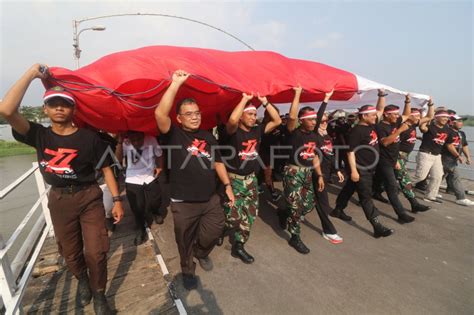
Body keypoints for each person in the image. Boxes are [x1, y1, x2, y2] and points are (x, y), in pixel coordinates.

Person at [0, 64, 124, 314]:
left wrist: (118, 199)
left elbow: (107, 169)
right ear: (45, 108)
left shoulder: (90, 138)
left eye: (65, 103)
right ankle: (82, 281)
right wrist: (32, 74)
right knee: (70, 251)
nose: (59, 107)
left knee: (97, 250)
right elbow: (6, 110)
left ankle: (100, 294)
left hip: (89, 196)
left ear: (73, 109)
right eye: (53, 103)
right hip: (59, 200)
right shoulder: (38, 135)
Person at [154, 69, 235, 290]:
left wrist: (227, 185)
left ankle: (201, 252)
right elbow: (160, 114)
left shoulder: (208, 136)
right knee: (184, 239)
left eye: (197, 112)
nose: (195, 116)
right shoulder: (174, 134)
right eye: (189, 114)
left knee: (214, 231)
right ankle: (188, 268)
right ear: (179, 118)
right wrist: (175, 84)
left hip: (210, 199)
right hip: (184, 203)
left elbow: (218, 161)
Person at [220, 93, 281, 263]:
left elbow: (277, 121)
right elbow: (232, 121)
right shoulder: (231, 132)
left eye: (255, 114)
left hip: (251, 180)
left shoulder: (257, 130)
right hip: (234, 180)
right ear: (241, 116)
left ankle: (239, 245)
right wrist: (245, 99)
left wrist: (264, 102)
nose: (254, 118)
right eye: (250, 114)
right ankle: (222, 228)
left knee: (250, 214)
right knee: (233, 216)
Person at [332, 92, 394, 238]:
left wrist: (381, 95)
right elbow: (350, 153)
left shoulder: (371, 125)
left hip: (370, 168)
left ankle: (338, 209)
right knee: (366, 197)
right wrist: (354, 171)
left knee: (349, 188)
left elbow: (379, 110)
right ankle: (376, 225)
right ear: (364, 116)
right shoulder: (356, 131)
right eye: (371, 115)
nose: (375, 116)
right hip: (361, 169)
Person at [278, 86, 326, 254]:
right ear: (302, 120)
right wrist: (297, 93)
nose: (314, 122)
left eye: (315, 119)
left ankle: (283, 208)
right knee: (296, 207)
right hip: (293, 172)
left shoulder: (314, 136)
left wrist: (319, 175)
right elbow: (292, 116)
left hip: (307, 173)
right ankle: (295, 236)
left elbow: (314, 156)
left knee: (308, 205)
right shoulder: (294, 133)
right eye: (311, 119)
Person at [372, 95, 416, 223]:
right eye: (395, 114)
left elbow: (406, 115)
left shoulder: (394, 123)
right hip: (383, 161)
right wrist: (400, 130)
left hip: (392, 160)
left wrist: (407, 101)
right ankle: (401, 214)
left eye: (398, 114)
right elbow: (385, 142)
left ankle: (365, 195)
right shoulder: (380, 127)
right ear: (386, 115)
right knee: (392, 187)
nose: (398, 117)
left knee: (375, 182)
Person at [116, 130, 163, 245]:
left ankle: (155, 211)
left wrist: (160, 167)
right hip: (133, 177)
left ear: (143, 135)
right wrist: (119, 143)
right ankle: (140, 229)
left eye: (139, 139)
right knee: (137, 207)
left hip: (149, 174)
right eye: (133, 140)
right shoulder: (125, 143)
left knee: (155, 199)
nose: (136, 142)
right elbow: (118, 159)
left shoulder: (151, 139)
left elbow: (159, 154)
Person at [395, 104, 433, 213]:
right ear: (409, 116)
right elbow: (394, 144)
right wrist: (396, 159)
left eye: (419, 116)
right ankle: (414, 203)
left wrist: (430, 104)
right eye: (416, 116)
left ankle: (376, 191)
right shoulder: (402, 127)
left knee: (386, 177)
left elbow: (429, 117)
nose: (418, 118)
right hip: (398, 156)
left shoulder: (414, 124)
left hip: (405, 155)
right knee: (404, 178)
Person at [411, 109, 454, 203]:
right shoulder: (430, 126)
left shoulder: (448, 130)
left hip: (437, 156)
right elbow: (422, 128)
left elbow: (449, 145)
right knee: (420, 176)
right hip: (426, 154)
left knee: (438, 176)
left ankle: (430, 196)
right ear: (436, 117)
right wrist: (426, 116)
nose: (446, 119)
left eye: (447, 117)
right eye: (443, 117)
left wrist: (458, 155)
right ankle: (402, 186)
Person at [314, 111, 344, 244]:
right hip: (315, 173)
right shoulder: (314, 136)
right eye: (322, 121)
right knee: (323, 202)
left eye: (327, 121)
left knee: (305, 202)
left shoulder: (327, 137)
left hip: (326, 173)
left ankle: (285, 213)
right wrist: (326, 100)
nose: (325, 123)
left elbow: (331, 155)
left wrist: (337, 170)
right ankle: (329, 230)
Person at [441, 114, 474, 206]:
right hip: (446, 157)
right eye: (459, 121)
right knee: (456, 177)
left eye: (461, 121)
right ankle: (461, 198)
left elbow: (464, 145)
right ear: (451, 122)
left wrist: (468, 157)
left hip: (453, 159)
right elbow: (449, 145)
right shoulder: (448, 132)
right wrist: (458, 156)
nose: (461, 123)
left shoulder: (461, 133)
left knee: (440, 175)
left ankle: (431, 192)